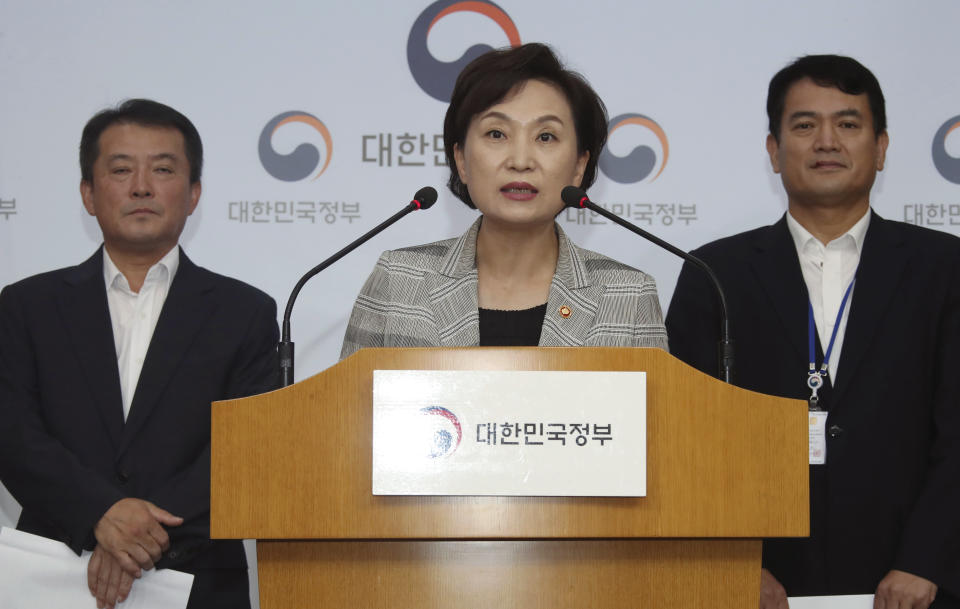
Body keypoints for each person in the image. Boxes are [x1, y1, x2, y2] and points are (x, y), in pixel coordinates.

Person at [666, 55, 960, 608]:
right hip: (760, 586)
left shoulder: (944, 268)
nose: (827, 141)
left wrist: (925, 561)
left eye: (848, 124)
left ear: (881, 147)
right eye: (804, 126)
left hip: (915, 585)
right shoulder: (715, 273)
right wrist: (737, 561)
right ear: (774, 152)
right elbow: (686, 438)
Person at [0, 99, 279, 609]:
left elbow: (248, 448)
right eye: (121, 169)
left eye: (164, 169)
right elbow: (13, 433)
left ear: (193, 194)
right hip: (52, 572)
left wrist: (133, 535)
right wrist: (98, 514)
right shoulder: (25, 306)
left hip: (198, 577)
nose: (142, 187)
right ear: (88, 193)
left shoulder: (246, 312)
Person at [341, 43, 668, 357]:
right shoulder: (398, 280)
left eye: (545, 136)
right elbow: (347, 412)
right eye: (496, 134)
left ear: (579, 166)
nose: (520, 160)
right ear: (462, 160)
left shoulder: (628, 294)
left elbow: (657, 416)